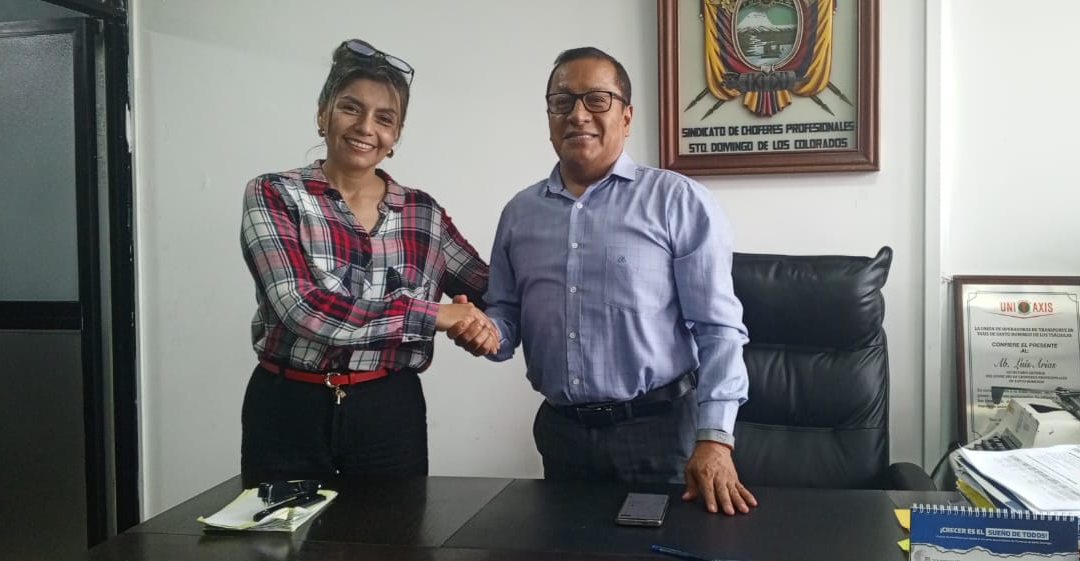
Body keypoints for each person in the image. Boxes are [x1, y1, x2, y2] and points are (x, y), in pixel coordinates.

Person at [450, 46, 757, 515]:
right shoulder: (519, 214)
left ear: (626, 116)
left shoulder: (677, 201)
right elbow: (507, 315)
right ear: (549, 117)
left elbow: (719, 329)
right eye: (562, 101)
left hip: (658, 433)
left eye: (597, 99)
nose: (578, 115)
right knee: (565, 546)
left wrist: (715, 439)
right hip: (562, 434)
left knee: (663, 547)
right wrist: (482, 331)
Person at [238, 39, 498, 484]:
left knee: (395, 529)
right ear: (323, 114)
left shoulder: (422, 213)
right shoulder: (274, 193)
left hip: (389, 412)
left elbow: (490, 289)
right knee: (281, 531)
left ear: (396, 136)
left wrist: (483, 328)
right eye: (350, 108)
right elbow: (302, 308)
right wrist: (434, 314)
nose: (365, 127)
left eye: (384, 118)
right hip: (287, 410)